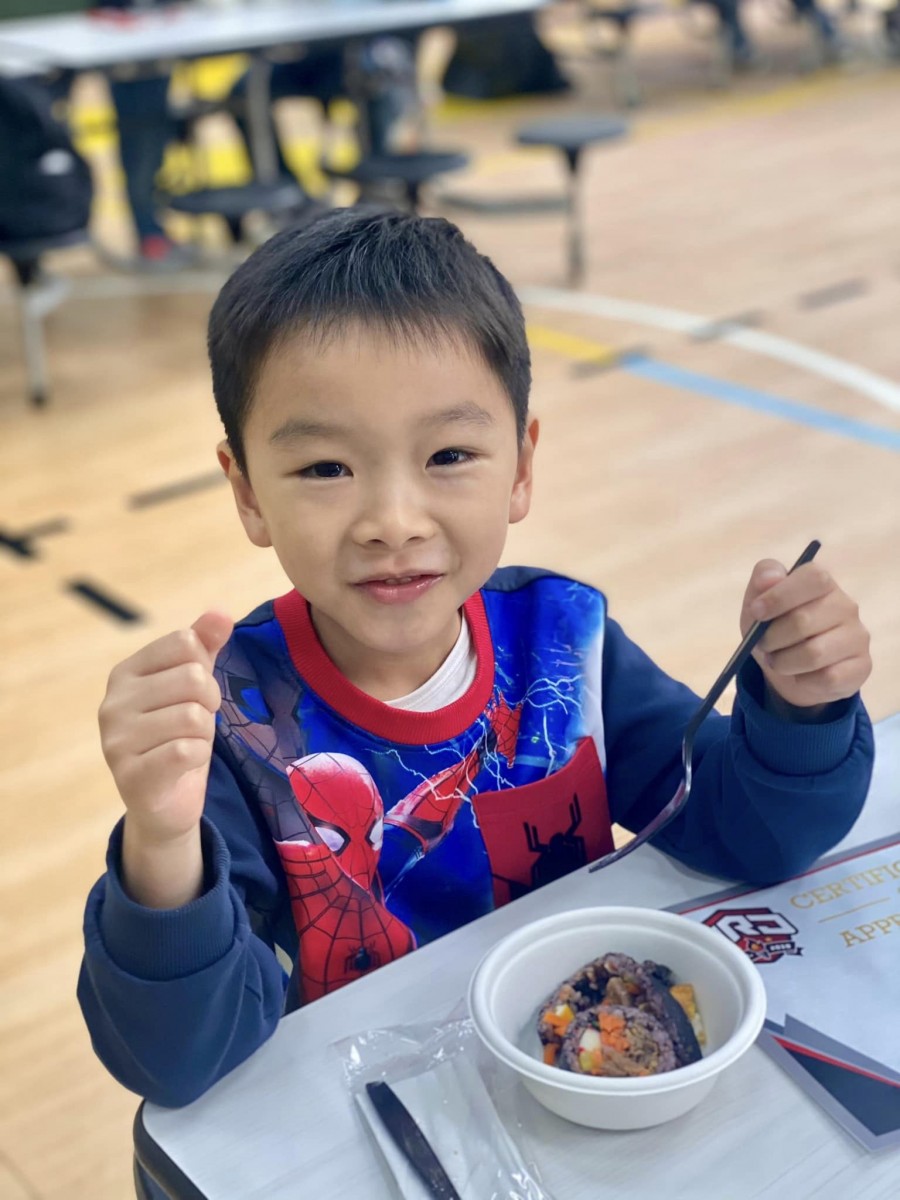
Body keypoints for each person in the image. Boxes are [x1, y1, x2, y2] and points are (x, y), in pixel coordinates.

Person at [79, 210, 874, 1121]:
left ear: (521, 467)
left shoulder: (561, 637)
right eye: (326, 468)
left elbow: (752, 835)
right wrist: (161, 845)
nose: (393, 520)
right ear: (247, 491)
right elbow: (179, 1061)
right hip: (368, 1125)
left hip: (582, 1091)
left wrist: (803, 711)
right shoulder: (236, 719)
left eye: (449, 455)